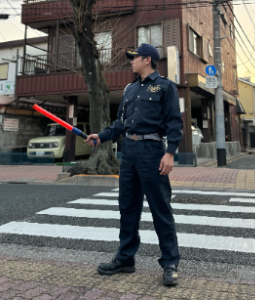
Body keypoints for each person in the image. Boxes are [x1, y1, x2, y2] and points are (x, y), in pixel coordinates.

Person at [84, 43, 184, 286]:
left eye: (134, 57)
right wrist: (101, 135)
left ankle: (170, 262)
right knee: (128, 207)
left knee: (161, 208)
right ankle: (125, 259)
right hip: (128, 153)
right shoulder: (129, 89)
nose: (131, 61)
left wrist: (170, 153)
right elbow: (120, 124)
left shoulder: (165, 87)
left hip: (152, 151)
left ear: (147, 59)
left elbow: (174, 123)